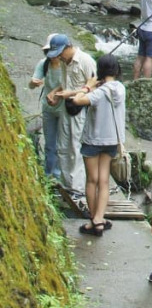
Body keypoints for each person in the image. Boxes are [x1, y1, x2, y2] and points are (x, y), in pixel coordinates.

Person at [60, 52, 125, 237]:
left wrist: (87, 87)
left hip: (93, 140)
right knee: (104, 181)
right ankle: (100, 218)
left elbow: (77, 101)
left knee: (92, 180)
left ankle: (94, 220)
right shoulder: (120, 88)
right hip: (112, 140)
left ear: (100, 70)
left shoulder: (99, 92)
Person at [42, 33, 97, 204]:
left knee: (75, 148)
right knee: (62, 147)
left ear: (68, 47)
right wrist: (55, 93)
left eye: (60, 53)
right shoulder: (66, 63)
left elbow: (94, 87)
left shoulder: (86, 61)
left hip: (80, 110)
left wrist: (71, 93)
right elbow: (65, 84)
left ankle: (78, 190)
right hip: (66, 109)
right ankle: (66, 187)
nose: (58, 57)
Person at [28, 33, 65, 179]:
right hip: (48, 109)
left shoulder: (66, 65)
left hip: (64, 110)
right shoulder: (43, 64)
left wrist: (56, 93)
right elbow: (31, 84)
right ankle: (49, 175)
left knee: (63, 145)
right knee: (50, 144)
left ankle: (60, 176)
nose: (52, 56)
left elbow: (73, 84)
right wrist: (33, 83)